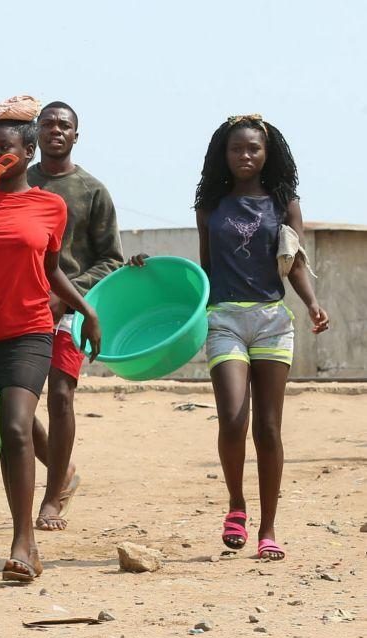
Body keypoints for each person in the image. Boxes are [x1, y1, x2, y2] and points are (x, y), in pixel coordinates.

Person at [130, 114, 328, 561]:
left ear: (266, 154)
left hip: (273, 321)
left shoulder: (284, 204)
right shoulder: (211, 206)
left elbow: (294, 262)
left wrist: (313, 303)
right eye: (237, 149)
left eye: (253, 149)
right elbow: (202, 270)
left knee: (269, 428)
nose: (245, 156)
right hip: (224, 321)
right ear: (224, 154)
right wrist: (155, 271)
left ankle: (269, 528)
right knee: (234, 421)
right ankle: (236, 505)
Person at [0, 95, 101, 583]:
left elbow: (52, 272)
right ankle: (50, 487)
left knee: (15, 427)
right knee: (3, 434)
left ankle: (23, 541)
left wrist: (86, 309)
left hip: (30, 332)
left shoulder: (50, 206)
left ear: (27, 153)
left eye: (4, 149)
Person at [27, 101, 124, 531]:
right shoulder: (19, 184)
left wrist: (68, 298)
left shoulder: (92, 191)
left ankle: (51, 498)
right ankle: (62, 471)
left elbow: (112, 260)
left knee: (61, 396)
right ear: (36, 132)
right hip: (19, 308)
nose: (55, 130)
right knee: (12, 404)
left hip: (71, 312)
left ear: (75, 136)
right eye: (47, 123)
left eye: (64, 125)